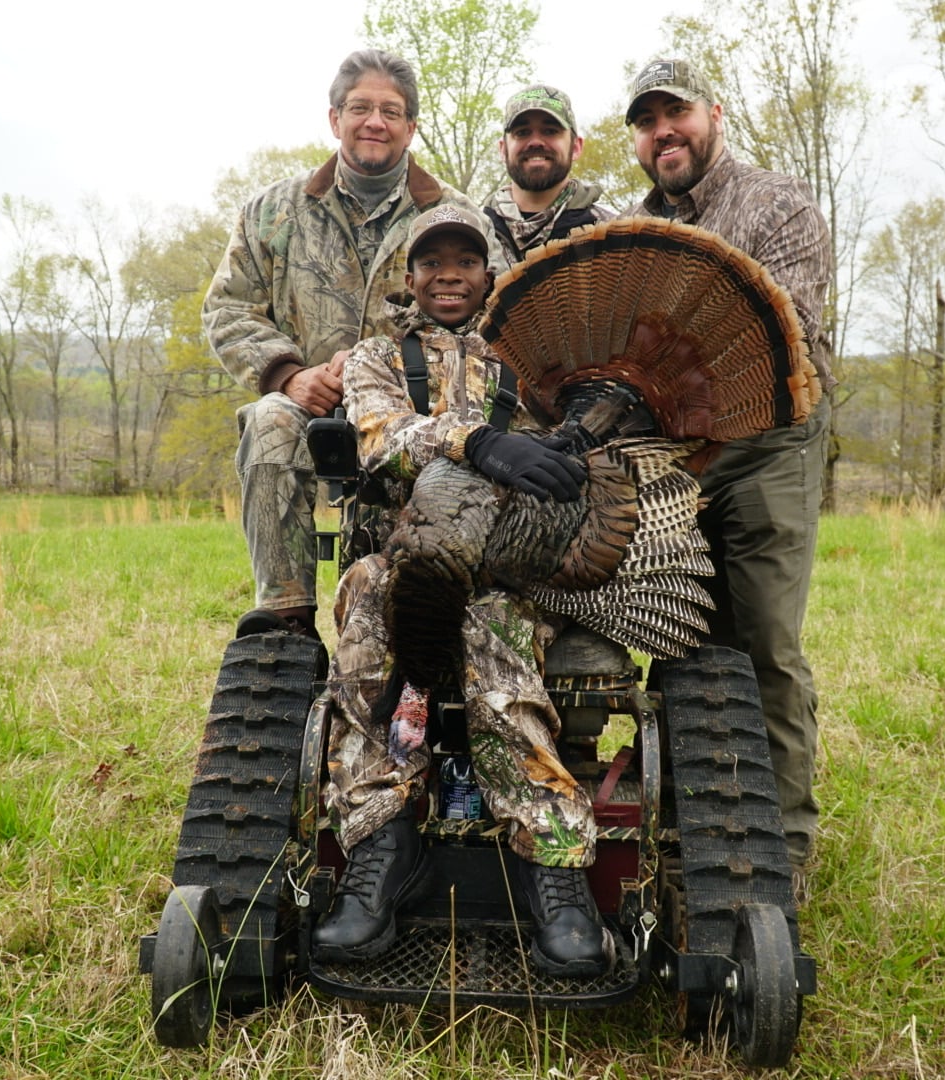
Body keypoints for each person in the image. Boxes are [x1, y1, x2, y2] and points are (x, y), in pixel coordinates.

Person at [308, 205, 612, 978]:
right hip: (399, 557)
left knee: (492, 623)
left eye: (465, 261)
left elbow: (576, 451)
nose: (449, 275)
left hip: (508, 564)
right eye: (432, 262)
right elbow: (376, 435)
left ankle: (552, 861)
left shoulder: (527, 359)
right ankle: (382, 847)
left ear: (488, 274)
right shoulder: (377, 356)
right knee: (370, 598)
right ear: (410, 278)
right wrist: (473, 440)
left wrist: (569, 440)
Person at [625, 58, 837, 896]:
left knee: (765, 642)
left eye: (675, 113)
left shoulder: (776, 203)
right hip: (679, 451)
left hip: (769, 441)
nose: (663, 132)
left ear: (714, 113)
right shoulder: (636, 227)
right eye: (646, 122)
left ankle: (785, 846)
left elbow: (788, 329)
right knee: (680, 634)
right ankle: (697, 822)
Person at [201, 49, 494, 649]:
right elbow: (227, 308)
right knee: (269, 421)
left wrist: (405, 364)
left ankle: (450, 617)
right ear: (335, 118)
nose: (374, 122)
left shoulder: (457, 215)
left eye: (391, 111)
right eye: (360, 108)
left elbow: (495, 313)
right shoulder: (272, 211)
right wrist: (289, 375)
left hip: (420, 411)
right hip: (316, 405)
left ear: (411, 126)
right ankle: (286, 624)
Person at [483, 83, 616, 265]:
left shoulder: (613, 236)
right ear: (502, 149)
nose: (535, 142)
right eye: (522, 132)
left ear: (576, 147)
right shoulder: (473, 232)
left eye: (550, 131)